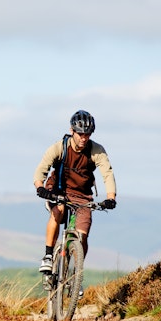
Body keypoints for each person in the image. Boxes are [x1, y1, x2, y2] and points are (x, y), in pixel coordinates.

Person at [33, 110, 117, 274]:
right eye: (80, 134)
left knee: (82, 236)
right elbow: (41, 170)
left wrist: (111, 198)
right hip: (58, 190)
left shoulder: (96, 150)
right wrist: (40, 188)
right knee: (59, 211)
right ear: (72, 131)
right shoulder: (59, 147)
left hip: (82, 195)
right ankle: (48, 256)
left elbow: (107, 173)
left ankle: (75, 274)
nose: (84, 138)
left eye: (87, 134)